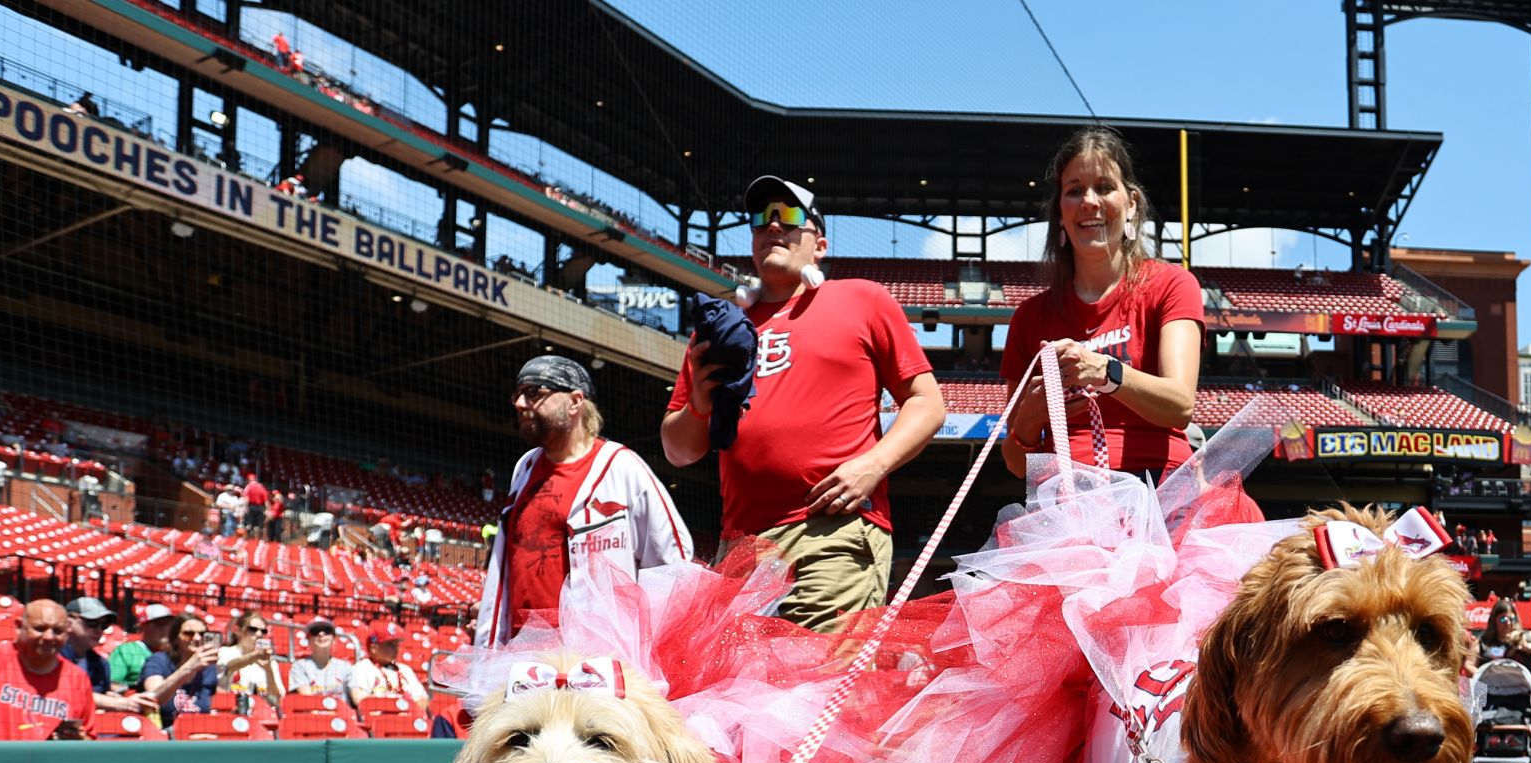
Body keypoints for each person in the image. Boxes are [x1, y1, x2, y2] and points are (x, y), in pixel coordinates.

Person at [662, 175, 945, 632]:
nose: (773, 226)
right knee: (738, 694)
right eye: (761, 219)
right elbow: (680, 450)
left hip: (831, 532)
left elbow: (927, 403)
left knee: (814, 684)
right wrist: (698, 402)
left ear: (820, 244)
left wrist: (873, 465)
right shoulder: (719, 330)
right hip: (742, 546)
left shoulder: (861, 299)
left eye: (789, 217)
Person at [999, 126, 1204, 483]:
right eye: (1074, 190)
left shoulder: (1172, 285)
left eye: (1105, 187)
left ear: (1132, 203)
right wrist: (1031, 416)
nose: (1089, 201)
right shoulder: (1029, 317)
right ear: (1060, 213)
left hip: (1160, 492)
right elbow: (1017, 463)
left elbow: (1180, 405)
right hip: (1068, 499)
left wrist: (1106, 373)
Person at [477, 354, 696, 644]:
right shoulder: (525, 468)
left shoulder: (621, 466)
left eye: (534, 393)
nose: (519, 404)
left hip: (594, 669)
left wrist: (643, 647)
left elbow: (676, 562)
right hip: (523, 663)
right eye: (517, 394)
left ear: (575, 402)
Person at [0, 600, 96, 739]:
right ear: (19, 627)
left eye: (58, 631)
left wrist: (78, 740)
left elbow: (89, 737)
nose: (49, 637)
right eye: (40, 628)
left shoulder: (78, 678)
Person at [60, 597, 155, 715]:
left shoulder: (100, 663)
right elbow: (63, 693)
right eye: (92, 623)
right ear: (68, 623)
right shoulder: (52, 656)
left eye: (104, 625)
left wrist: (115, 699)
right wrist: (117, 703)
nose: (99, 630)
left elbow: (98, 698)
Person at [140, 615, 220, 730]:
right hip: (163, 732)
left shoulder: (209, 668)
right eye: (188, 633)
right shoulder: (158, 661)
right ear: (175, 638)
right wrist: (189, 667)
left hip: (199, 733)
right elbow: (154, 697)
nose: (197, 638)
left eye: (202, 634)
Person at [216, 610, 284, 713]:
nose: (259, 634)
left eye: (263, 631)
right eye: (253, 629)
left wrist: (268, 670)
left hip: (261, 715)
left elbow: (276, 701)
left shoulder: (270, 662)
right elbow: (229, 667)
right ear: (238, 630)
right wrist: (255, 656)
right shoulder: (224, 653)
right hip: (230, 712)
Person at [348, 620, 427, 707]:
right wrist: (394, 707)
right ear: (373, 648)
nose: (395, 648)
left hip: (407, 717)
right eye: (390, 644)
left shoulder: (405, 670)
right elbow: (360, 700)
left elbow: (423, 700)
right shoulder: (361, 668)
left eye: (396, 644)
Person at [106, 604, 178, 694]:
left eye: (169, 624)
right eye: (159, 624)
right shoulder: (127, 650)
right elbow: (112, 684)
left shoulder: (177, 652)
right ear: (142, 627)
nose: (165, 629)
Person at [287, 618, 353, 698]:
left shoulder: (345, 666)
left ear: (334, 638)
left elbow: (358, 696)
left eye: (327, 630)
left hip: (343, 710)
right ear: (308, 639)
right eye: (315, 631)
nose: (321, 634)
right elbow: (308, 700)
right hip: (314, 709)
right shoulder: (299, 666)